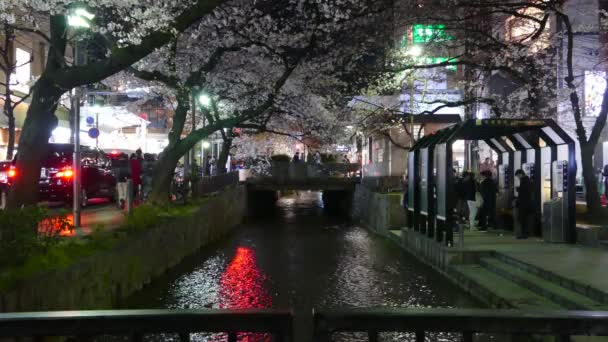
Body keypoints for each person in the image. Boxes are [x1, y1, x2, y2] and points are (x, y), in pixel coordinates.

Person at [515, 169, 531, 239]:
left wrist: (518, 189)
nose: (518, 177)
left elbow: (524, 190)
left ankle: (524, 234)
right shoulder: (526, 180)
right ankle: (524, 233)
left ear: (521, 174)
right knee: (523, 218)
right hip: (525, 202)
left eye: (518, 176)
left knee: (523, 219)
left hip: (524, 203)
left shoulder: (524, 180)